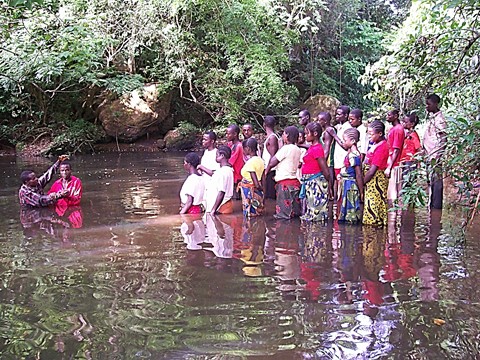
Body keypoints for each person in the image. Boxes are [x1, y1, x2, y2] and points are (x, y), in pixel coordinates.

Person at [266, 126, 302, 220]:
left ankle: (284, 234)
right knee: (294, 213)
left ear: (287, 136)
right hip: (295, 182)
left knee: (283, 215)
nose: (282, 136)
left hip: (284, 184)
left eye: (283, 134)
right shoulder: (297, 149)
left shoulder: (285, 149)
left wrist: (266, 172)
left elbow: (272, 162)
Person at [299, 122, 330, 222]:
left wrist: (327, 185)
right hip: (310, 183)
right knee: (312, 209)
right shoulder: (312, 147)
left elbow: (324, 168)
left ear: (315, 134)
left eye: (307, 133)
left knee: (316, 211)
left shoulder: (317, 149)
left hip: (316, 183)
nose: (305, 136)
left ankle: (317, 235)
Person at [363, 120, 389, 226]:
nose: (370, 137)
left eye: (372, 134)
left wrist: (362, 182)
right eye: (368, 134)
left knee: (373, 203)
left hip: (375, 179)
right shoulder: (376, 144)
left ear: (380, 134)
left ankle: (373, 226)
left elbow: (373, 169)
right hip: (372, 179)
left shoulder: (382, 147)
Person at [423, 93, 447, 209]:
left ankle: (436, 208)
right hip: (429, 155)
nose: (426, 107)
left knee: (436, 183)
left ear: (436, 104)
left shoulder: (439, 119)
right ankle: (432, 207)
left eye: (429, 104)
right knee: (431, 182)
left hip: (435, 157)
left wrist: (438, 156)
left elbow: (443, 138)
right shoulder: (432, 118)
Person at [338, 128, 363, 223]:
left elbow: (358, 174)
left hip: (351, 185)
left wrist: (361, 192)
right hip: (346, 184)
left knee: (351, 208)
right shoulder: (350, 154)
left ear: (353, 141)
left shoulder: (354, 155)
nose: (343, 143)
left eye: (345, 140)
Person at [239, 138, 265, 217]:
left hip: (250, 192)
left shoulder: (250, 162)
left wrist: (257, 188)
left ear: (248, 148)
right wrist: (263, 193)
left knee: (249, 215)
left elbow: (255, 182)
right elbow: (263, 177)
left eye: (243, 149)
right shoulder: (261, 160)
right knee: (257, 213)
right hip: (258, 192)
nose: (243, 151)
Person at [206, 145, 234, 214]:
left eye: (217, 155)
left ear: (222, 156)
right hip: (225, 205)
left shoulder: (223, 172)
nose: (215, 157)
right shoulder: (228, 170)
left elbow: (221, 192)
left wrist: (213, 210)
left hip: (221, 207)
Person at [385, 109, 405, 205]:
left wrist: (389, 167)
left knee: (393, 194)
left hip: (395, 164)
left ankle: (394, 217)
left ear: (396, 116)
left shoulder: (398, 129)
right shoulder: (393, 129)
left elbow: (396, 149)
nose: (387, 117)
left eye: (389, 115)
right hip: (391, 162)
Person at [197, 131, 220, 206]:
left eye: (205, 139)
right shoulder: (206, 152)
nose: (203, 141)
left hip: (212, 187)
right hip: (205, 185)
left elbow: (214, 173)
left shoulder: (216, 153)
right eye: (203, 139)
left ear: (212, 141)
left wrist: (201, 167)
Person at [318, 112, 336, 200]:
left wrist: (323, 162)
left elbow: (327, 148)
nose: (318, 122)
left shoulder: (328, 132)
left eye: (319, 120)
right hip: (327, 159)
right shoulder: (326, 131)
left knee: (329, 177)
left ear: (324, 121)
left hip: (328, 160)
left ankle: (330, 196)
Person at [399, 113, 421, 184]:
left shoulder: (413, 135)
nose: (403, 124)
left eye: (405, 122)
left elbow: (419, 149)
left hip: (410, 161)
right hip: (405, 161)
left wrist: (418, 162)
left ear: (412, 124)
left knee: (408, 182)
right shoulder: (407, 135)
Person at [262, 115, 280, 200]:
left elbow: (273, 156)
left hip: (271, 170)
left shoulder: (272, 138)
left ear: (264, 125)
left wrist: (266, 171)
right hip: (269, 168)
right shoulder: (270, 137)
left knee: (270, 196)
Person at [226, 124, 244, 199]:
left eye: (228, 134)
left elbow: (229, 162)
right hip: (232, 175)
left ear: (235, 134)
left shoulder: (239, 146)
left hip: (237, 176)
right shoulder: (230, 144)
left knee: (235, 197)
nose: (226, 135)